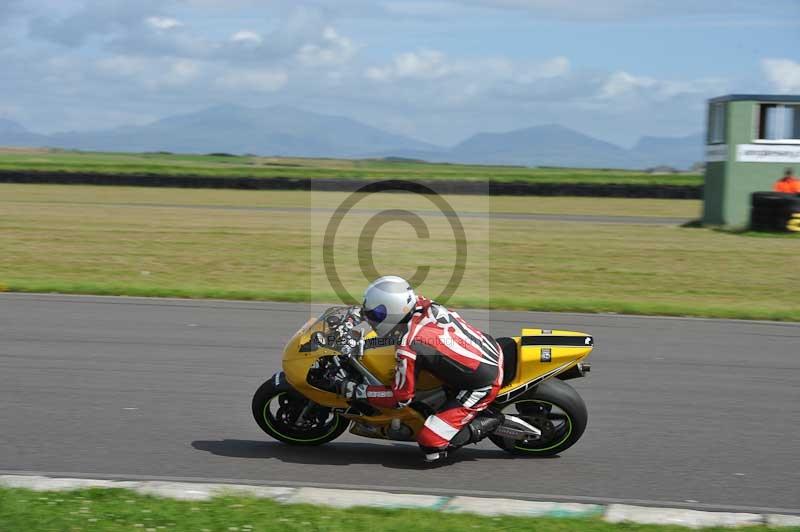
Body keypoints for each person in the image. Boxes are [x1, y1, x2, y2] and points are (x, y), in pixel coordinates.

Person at [337, 275, 504, 462]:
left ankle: (493, 421)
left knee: (431, 444)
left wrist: (358, 391)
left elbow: (400, 398)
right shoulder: (419, 304)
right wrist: (353, 317)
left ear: (393, 311)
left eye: (377, 315)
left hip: (482, 383)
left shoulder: (409, 345)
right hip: (486, 348)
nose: (372, 319)